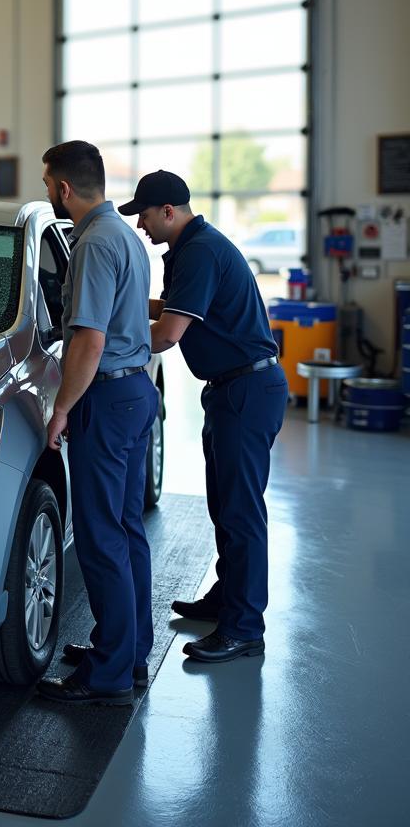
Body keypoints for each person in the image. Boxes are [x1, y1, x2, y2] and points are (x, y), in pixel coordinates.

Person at [119, 170, 288, 663]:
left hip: (246, 388)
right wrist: (116, 306)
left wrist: (102, 346)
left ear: (168, 211)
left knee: (241, 512)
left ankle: (243, 628)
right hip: (234, 388)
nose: (142, 227)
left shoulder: (199, 252)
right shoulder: (196, 246)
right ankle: (227, 599)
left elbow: (168, 332)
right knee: (225, 505)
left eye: (146, 216)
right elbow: (174, 308)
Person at [35, 140, 159, 707]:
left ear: (63, 188)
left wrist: (60, 409)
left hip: (105, 401)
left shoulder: (93, 244)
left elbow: (88, 338)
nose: (48, 194)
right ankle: (129, 653)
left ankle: (107, 675)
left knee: (102, 536)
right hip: (135, 390)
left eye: (47, 185)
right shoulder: (127, 237)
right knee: (127, 528)